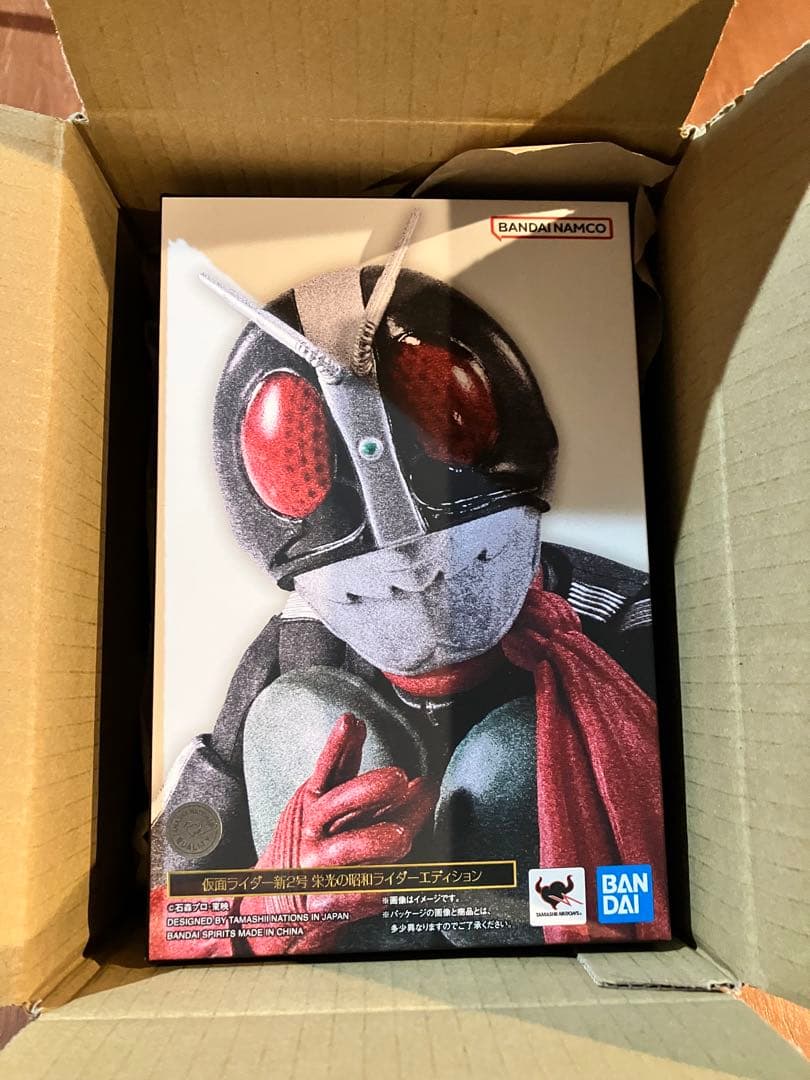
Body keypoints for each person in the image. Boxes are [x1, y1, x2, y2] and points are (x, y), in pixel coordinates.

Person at [150, 222, 668, 959]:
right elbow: (165, 890)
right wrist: (264, 910)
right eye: (297, 459)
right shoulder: (294, 647)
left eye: (444, 420)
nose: (411, 565)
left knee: (513, 762)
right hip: (348, 979)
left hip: (548, 958)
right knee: (296, 716)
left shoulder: (622, 614)